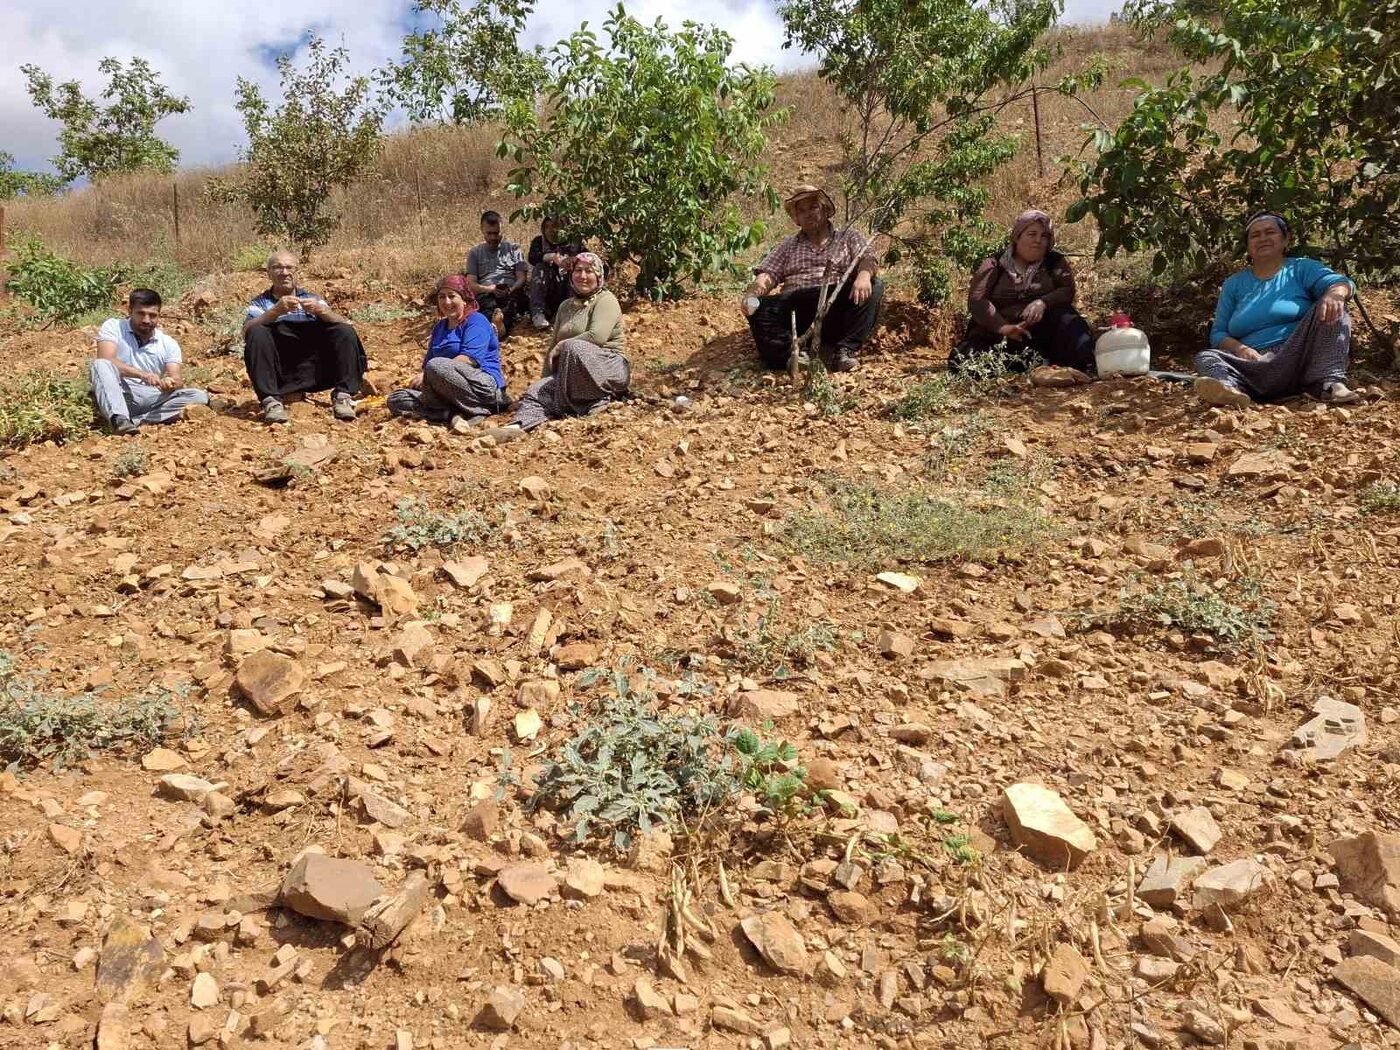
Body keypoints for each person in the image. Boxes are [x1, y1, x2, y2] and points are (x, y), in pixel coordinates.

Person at [1194, 213, 1360, 407]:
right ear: (1248, 246)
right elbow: (1218, 333)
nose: (1263, 238)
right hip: (1256, 365)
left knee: (1333, 306)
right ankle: (1230, 391)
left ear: (1285, 240)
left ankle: (1329, 383)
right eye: (1255, 235)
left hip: (1301, 357)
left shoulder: (1300, 268)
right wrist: (1241, 349)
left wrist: (1336, 294)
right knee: (1205, 357)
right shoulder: (1234, 284)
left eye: (1270, 232)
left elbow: (1340, 283)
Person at [741, 185, 882, 373]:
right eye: (801, 211)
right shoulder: (787, 245)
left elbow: (868, 259)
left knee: (875, 285)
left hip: (835, 301)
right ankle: (790, 356)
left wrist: (864, 276)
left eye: (813, 207)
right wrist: (751, 295)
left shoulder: (848, 236)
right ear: (796, 219)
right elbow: (767, 275)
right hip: (797, 307)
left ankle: (845, 351)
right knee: (757, 306)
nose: (808, 214)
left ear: (825, 210)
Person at [490, 253, 627, 436]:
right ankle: (519, 426)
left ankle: (596, 401)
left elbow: (597, 336)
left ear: (599, 276)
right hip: (571, 374)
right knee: (536, 390)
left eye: (589, 271)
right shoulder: (565, 306)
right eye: (578, 270)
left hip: (608, 368)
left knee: (572, 348)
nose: (582, 276)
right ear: (571, 274)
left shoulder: (606, 300)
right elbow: (552, 346)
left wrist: (563, 346)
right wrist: (545, 378)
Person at [950, 209, 1096, 377]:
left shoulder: (1054, 261)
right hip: (1001, 336)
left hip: (1042, 335)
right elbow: (977, 300)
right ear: (1017, 236)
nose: (1038, 241)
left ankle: (1064, 369)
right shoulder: (994, 264)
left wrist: (1043, 302)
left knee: (1069, 321)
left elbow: (1067, 290)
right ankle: (1028, 368)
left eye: (1044, 236)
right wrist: (1004, 327)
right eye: (1031, 234)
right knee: (961, 359)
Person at [243, 251, 367, 423]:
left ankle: (343, 396)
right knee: (257, 332)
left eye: (289, 267)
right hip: (281, 367)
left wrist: (322, 311)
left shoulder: (313, 299)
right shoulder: (260, 303)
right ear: (269, 273)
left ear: (298, 272)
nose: (284, 272)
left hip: (315, 365)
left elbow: (344, 324)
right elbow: (246, 331)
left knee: (344, 331)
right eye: (277, 267)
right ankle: (271, 401)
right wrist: (275, 311)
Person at [386, 276, 510, 424]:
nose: (447, 302)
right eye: (442, 297)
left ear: (464, 299)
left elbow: (469, 359)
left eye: (452, 296)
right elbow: (428, 365)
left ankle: (478, 409)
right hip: (447, 390)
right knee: (396, 398)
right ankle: (452, 413)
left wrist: (430, 373)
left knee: (436, 365)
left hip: (481, 386)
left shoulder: (476, 320)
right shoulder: (440, 327)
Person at [90, 288, 209, 434]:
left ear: (159, 315)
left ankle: (136, 422)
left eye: (152, 315)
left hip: (152, 397)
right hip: (120, 392)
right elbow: (106, 359)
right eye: (141, 313)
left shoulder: (168, 343)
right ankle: (119, 418)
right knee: (100, 364)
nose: (146, 320)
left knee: (198, 396)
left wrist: (170, 383)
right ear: (130, 310)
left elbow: (177, 378)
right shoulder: (114, 326)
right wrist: (143, 375)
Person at [466, 211, 530, 338]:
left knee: (511, 305)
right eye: (489, 233)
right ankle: (494, 327)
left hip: (511, 291)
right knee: (487, 306)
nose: (493, 237)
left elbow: (521, 277)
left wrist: (512, 288)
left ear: (501, 229)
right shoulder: (474, 253)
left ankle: (500, 328)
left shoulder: (514, 248)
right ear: (482, 230)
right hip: (487, 292)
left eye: (496, 233)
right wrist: (490, 289)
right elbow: (471, 284)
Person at [527, 216, 587, 329]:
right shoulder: (538, 242)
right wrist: (552, 257)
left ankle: (570, 314)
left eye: (554, 226)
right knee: (540, 268)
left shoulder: (575, 242)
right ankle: (538, 313)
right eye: (546, 227)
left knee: (575, 271)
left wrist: (574, 260)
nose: (550, 230)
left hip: (569, 290)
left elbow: (588, 257)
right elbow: (532, 257)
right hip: (550, 290)